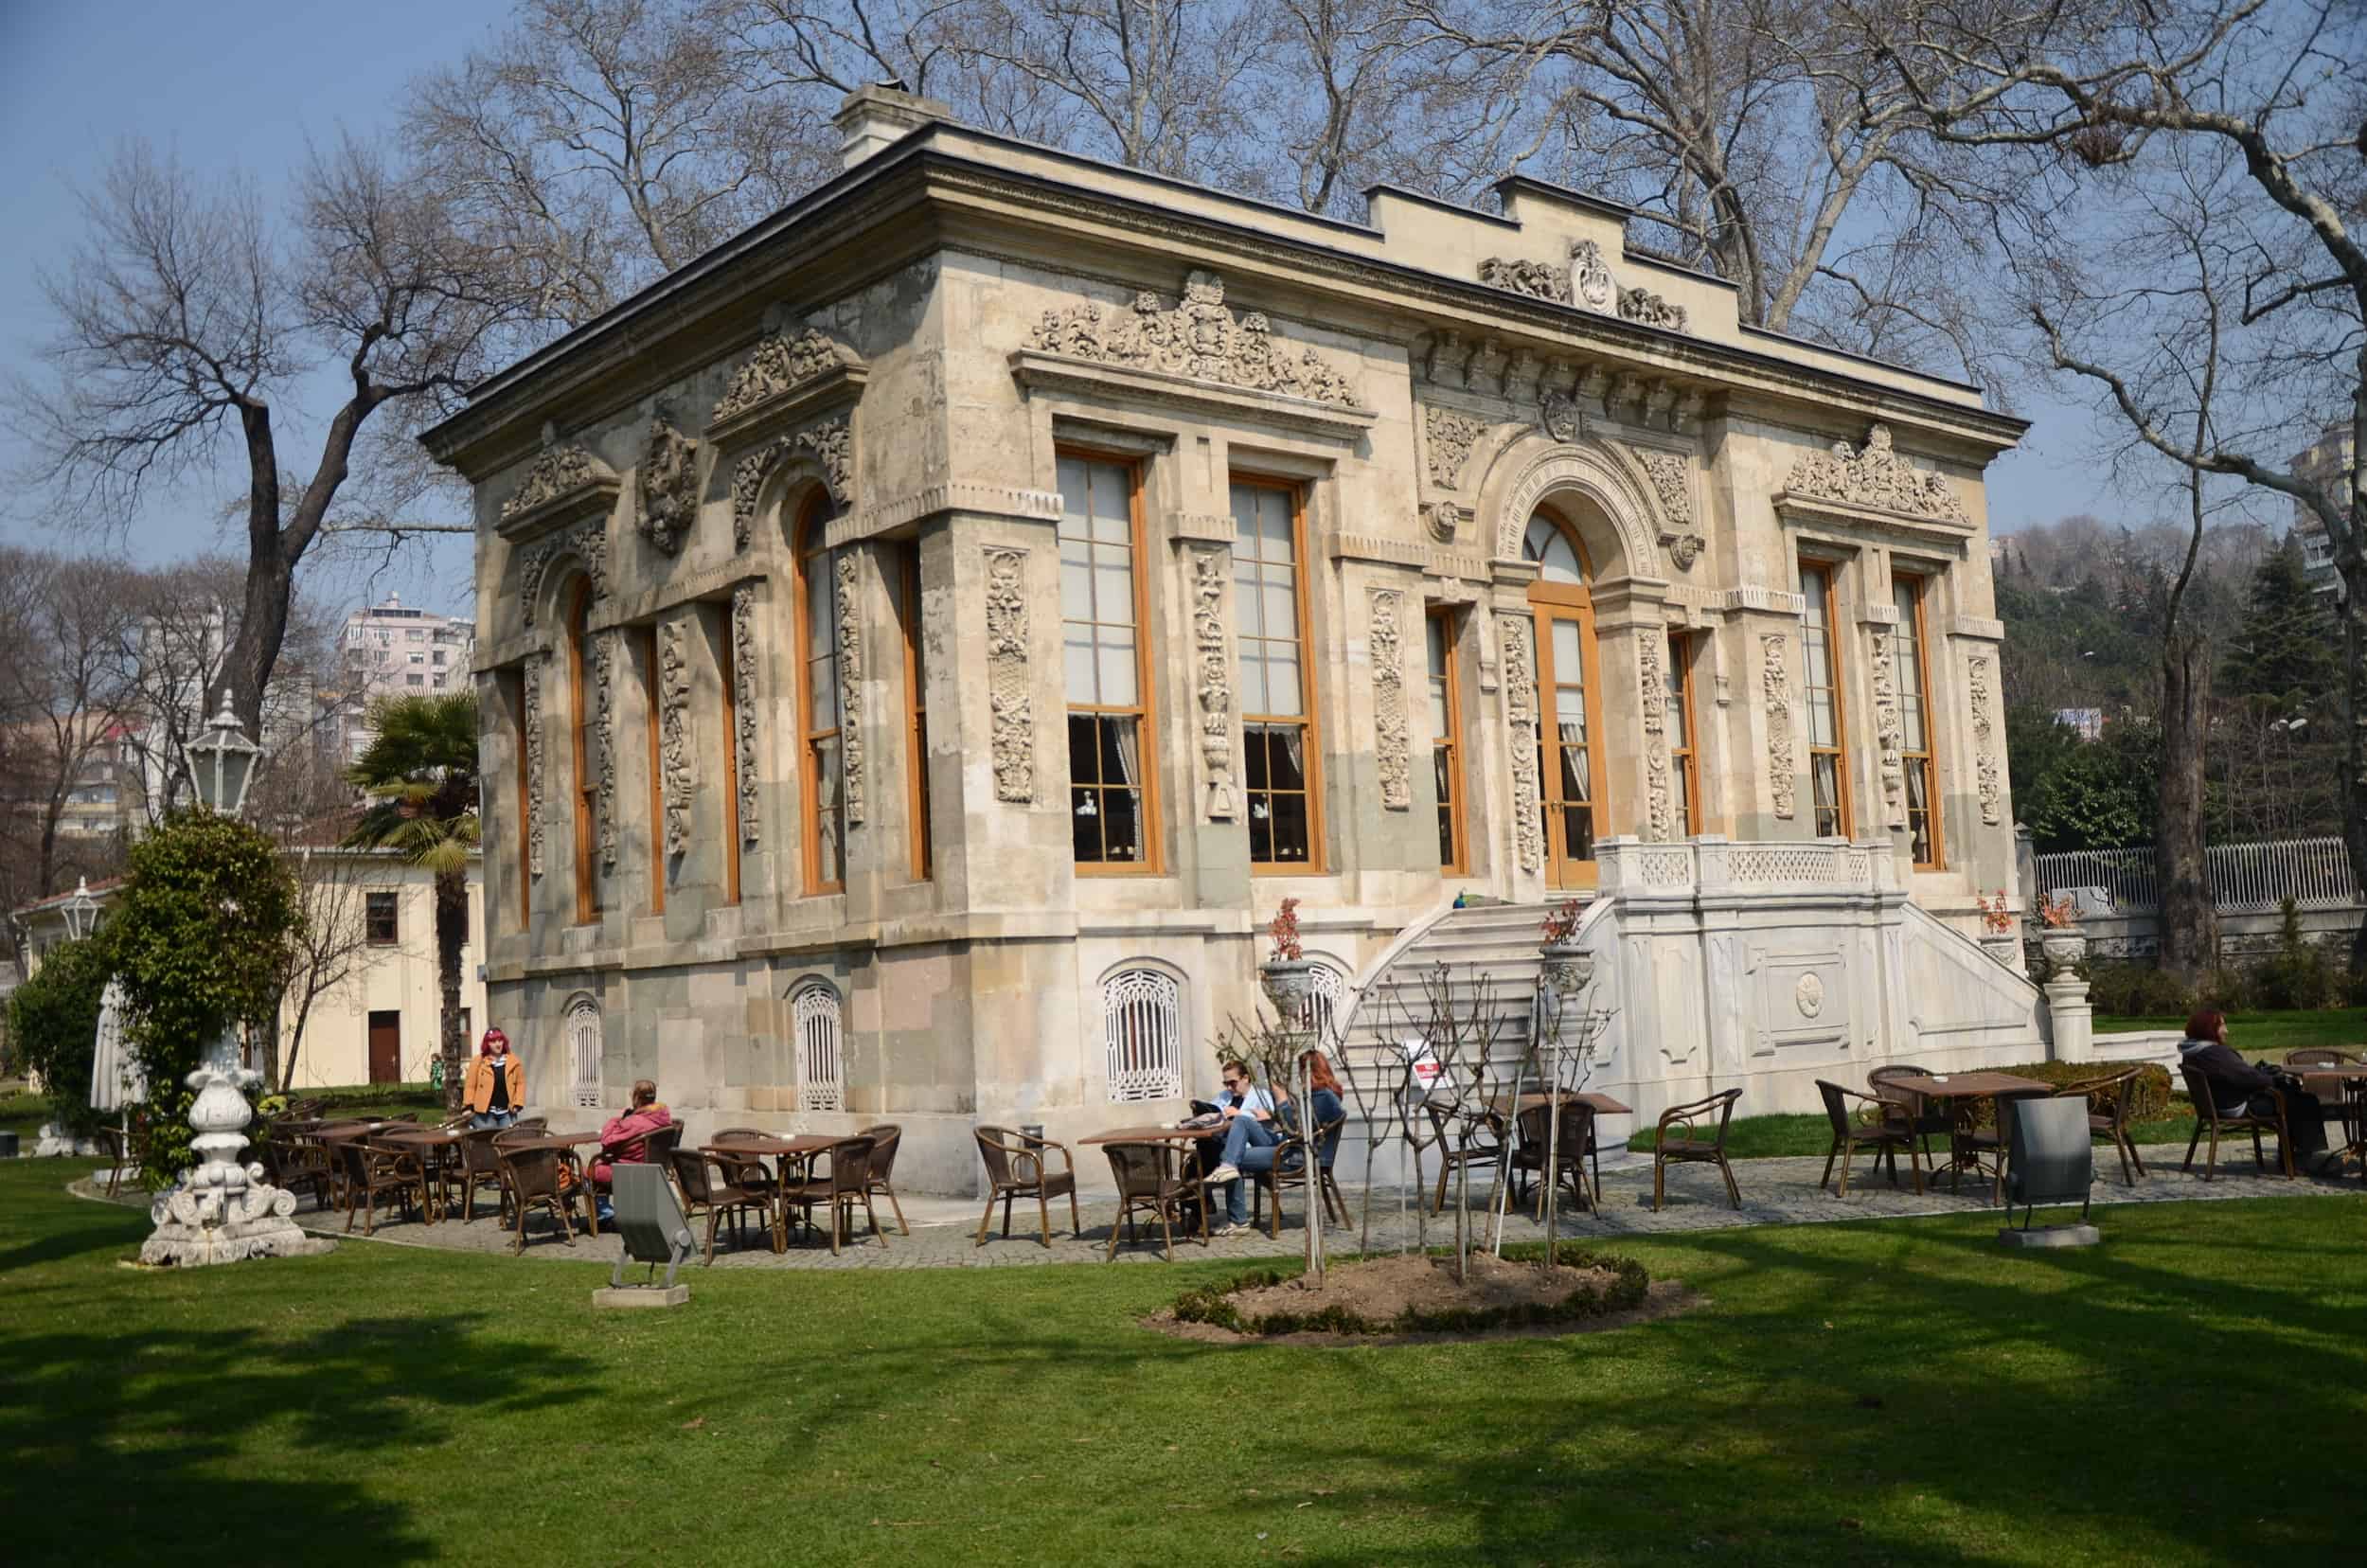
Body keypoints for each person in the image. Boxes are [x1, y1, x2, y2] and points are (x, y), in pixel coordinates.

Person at [2178, 1008, 2331, 1171]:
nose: (2226, 1031)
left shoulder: (2192, 1051)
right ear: (2208, 1028)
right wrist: (2273, 1079)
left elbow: (2239, 1073)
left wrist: (2262, 1075)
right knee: (2305, 1101)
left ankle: (2291, 1160)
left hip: (2217, 1105)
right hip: (2236, 1106)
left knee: (2292, 1096)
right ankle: (2301, 1162)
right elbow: (2248, 1078)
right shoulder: (2214, 1053)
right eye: (2222, 1025)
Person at [1199, 1059, 1277, 1235]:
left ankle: (1236, 1219)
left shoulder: (1260, 1095)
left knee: (1231, 1159)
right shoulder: (1225, 1097)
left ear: (1246, 1078)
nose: (1229, 1087)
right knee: (1204, 1150)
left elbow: (1272, 1121)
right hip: (1230, 1145)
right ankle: (1199, 1206)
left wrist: (1240, 1114)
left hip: (1261, 1142)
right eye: (1225, 1083)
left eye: (1232, 1082)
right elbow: (1213, 1111)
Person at [589, 1079, 673, 1224]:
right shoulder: (663, 1117)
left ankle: (605, 1214)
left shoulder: (634, 1122)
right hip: (654, 1169)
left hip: (629, 1171)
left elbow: (607, 1141)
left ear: (636, 1098)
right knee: (602, 1164)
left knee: (588, 1171)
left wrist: (614, 1121)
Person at [463, 1028, 525, 1130]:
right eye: (493, 1041)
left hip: (507, 1112)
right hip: (485, 1113)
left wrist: (518, 1103)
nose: (498, 1044)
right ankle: (473, 1125)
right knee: (488, 1140)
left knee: (508, 1140)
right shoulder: (478, 1061)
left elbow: (520, 1083)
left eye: (500, 1040)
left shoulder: (513, 1061)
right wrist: (468, 1107)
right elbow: (470, 1086)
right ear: (487, 1044)